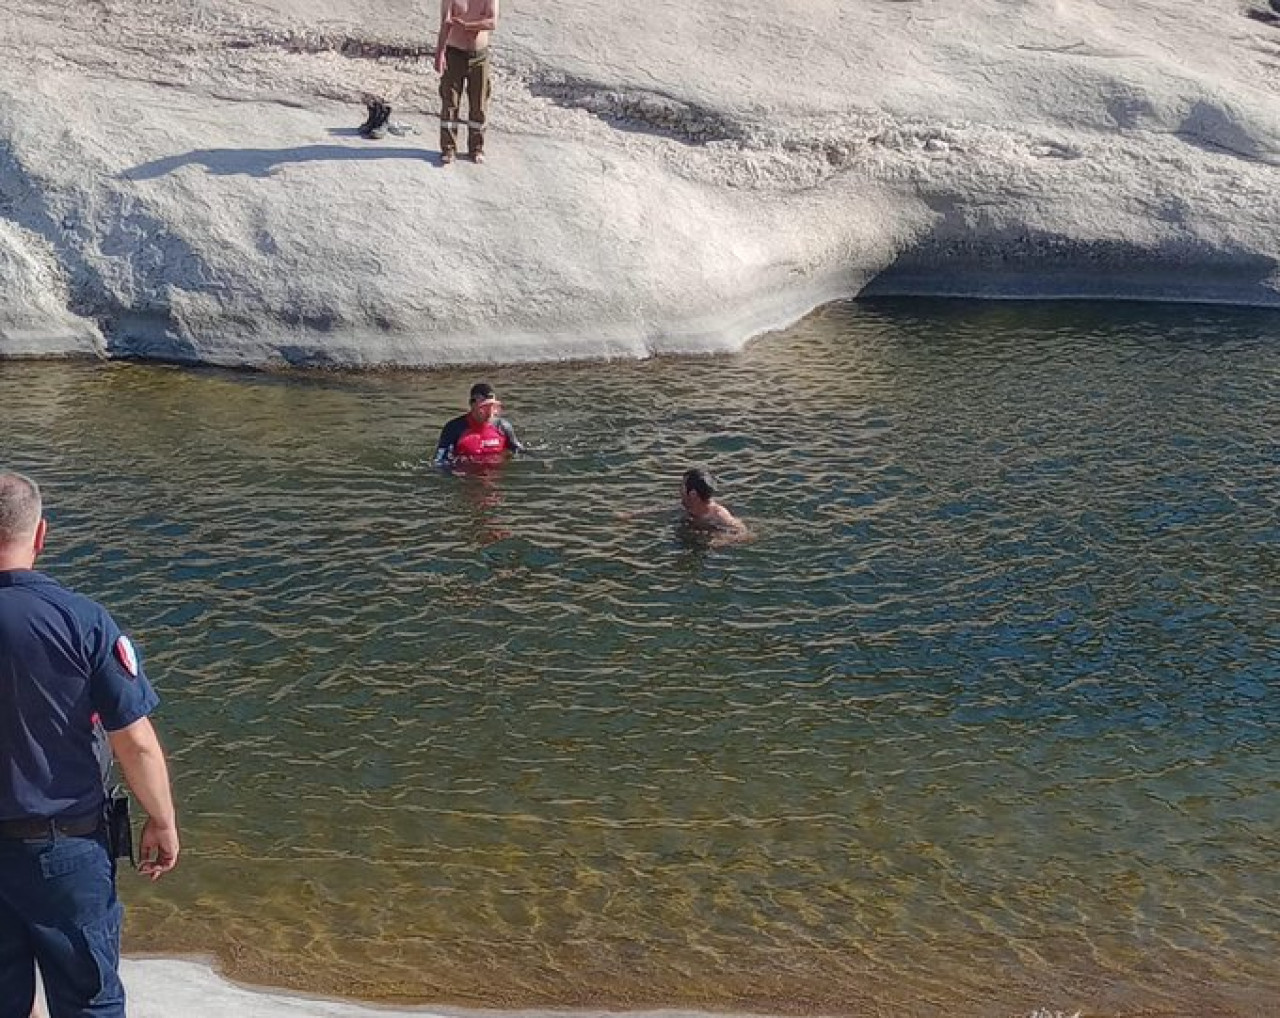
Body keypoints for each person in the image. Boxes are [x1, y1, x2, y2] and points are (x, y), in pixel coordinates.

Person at [0, 472, 180, 1018]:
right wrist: (162, 820)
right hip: (64, 849)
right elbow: (137, 742)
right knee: (88, 1003)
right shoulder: (80, 620)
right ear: (40, 535)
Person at [434, 0, 499, 164]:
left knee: (479, 103)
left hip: (479, 57)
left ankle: (476, 148)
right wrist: (439, 53)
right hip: (454, 54)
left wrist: (467, 25)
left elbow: (492, 22)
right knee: (450, 102)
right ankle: (448, 148)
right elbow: (446, 23)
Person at [434, 382, 525, 466]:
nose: (489, 412)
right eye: (485, 407)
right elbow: (440, 459)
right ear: (472, 404)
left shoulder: (503, 427)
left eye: (492, 406)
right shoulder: (454, 427)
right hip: (465, 477)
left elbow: (518, 451)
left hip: (493, 478)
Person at [680, 468, 750, 544]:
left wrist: (718, 541)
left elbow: (745, 534)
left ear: (693, 494)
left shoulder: (718, 515)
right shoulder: (689, 507)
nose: (680, 490)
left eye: (682, 487)